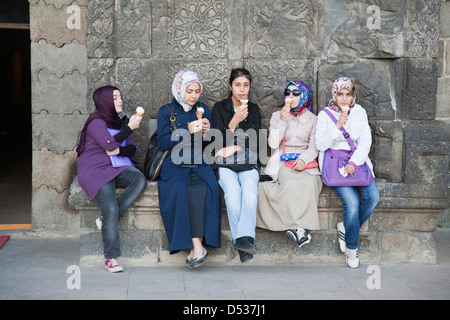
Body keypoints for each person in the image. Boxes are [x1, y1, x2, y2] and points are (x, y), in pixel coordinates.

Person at [76, 85, 147, 273]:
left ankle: (107, 219)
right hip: (94, 169)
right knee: (110, 207)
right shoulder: (96, 122)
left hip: (116, 166)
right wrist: (129, 129)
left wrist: (118, 147)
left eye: (120, 96)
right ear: (105, 101)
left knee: (139, 180)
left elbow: (132, 148)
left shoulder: (120, 122)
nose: (120, 100)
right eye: (115, 97)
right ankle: (111, 257)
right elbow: (108, 145)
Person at [157, 69, 221, 268]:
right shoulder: (166, 111)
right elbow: (162, 142)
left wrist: (206, 133)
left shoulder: (203, 109)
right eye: (189, 91)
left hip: (199, 160)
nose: (194, 96)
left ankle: (196, 249)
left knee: (206, 190)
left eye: (196, 91)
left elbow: (209, 143)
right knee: (179, 191)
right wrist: (186, 131)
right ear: (179, 89)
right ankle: (196, 245)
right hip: (174, 162)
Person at [315, 77, 380, 269]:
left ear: (353, 96)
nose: (344, 99)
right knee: (351, 202)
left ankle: (347, 227)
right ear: (334, 94)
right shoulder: (324, 115)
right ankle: (352, 248)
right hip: (336, 165)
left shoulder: (360, 112)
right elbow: (320, 145)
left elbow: (366, 141)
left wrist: (355, 162)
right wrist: (336, 127)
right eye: (340, 94)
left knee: (373, 197)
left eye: (348, 95)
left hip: (357, 161)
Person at [257, 81, 322, 248]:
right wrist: (283, 121)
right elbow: (272, 144)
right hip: (284, 161)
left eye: (295, 93)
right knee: (290, 182)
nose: (291, 97)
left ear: (304, 96)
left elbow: (314, 146)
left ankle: (297, 228)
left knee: (308, 183)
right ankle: (299, 229)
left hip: (306, 162)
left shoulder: (314, 119)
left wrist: (304, 159)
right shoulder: (277, 116)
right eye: (288, 93)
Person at [211, 68, 262, 263]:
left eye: (246, 85)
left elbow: (255, 138)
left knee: (249, 192)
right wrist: (233, 122)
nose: (242, 89)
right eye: (238, 85)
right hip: (224, 165)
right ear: (230, 86)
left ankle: (241, 240)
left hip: (248, 162)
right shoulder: (219, 108)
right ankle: (244, 242)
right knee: (232, 193)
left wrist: (233, 147)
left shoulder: (254, 109)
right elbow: (215, 142)